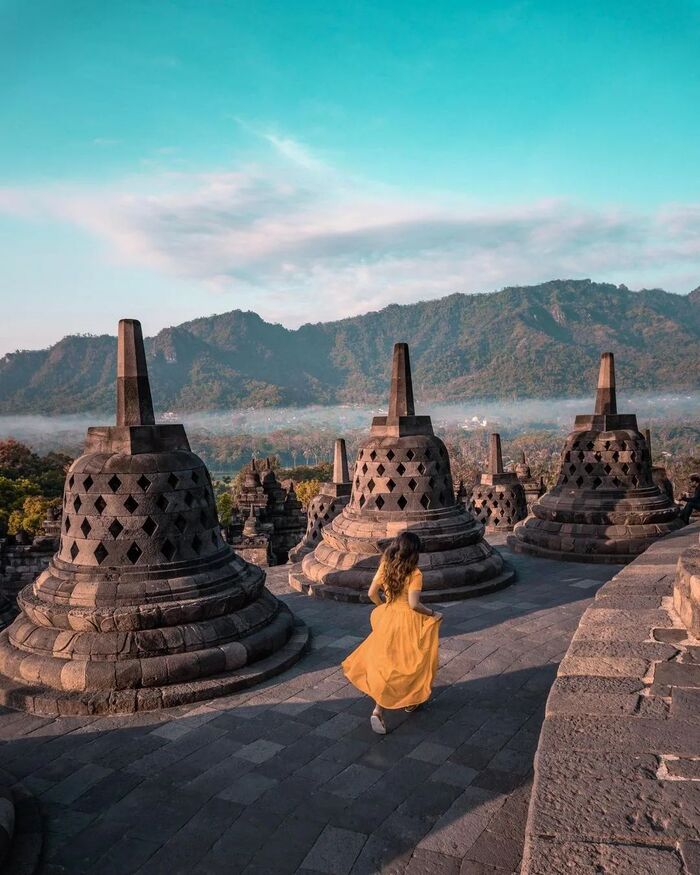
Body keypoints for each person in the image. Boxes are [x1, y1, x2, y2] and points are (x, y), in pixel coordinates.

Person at [341, 531, 442, 735]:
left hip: (388, 617)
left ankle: (393, 705)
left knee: (389, 662)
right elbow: (414, 605)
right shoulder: (414, 573)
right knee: (412, 661)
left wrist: (384, 606)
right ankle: (396, 704)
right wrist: (433, 613)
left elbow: (371, 593)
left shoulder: (385, 565)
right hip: (408, 622)